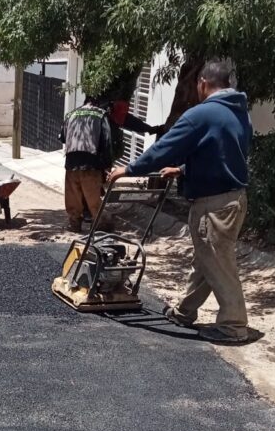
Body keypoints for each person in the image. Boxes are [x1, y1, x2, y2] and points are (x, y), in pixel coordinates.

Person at [107, 59, 252, 343]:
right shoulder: (238, 113)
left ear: (202, 83)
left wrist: (130, 169)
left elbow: (166, 147)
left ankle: (234, 325)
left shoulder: (202, 114)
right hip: (233, 199)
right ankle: (184, 312)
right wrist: (184, 170)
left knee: (219, 265)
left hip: (214, 204)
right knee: (207, 260)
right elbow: (224, 153)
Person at [59, 97, 163, 233]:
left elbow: (62, 137)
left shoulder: (71, 114)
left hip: (71, 163)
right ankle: (101, 226)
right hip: (91, 164)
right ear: (98, 104)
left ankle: (74, 225)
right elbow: (106, 142)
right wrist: (107, 166)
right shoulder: (101, 115)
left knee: (73, 198)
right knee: (94, 200)